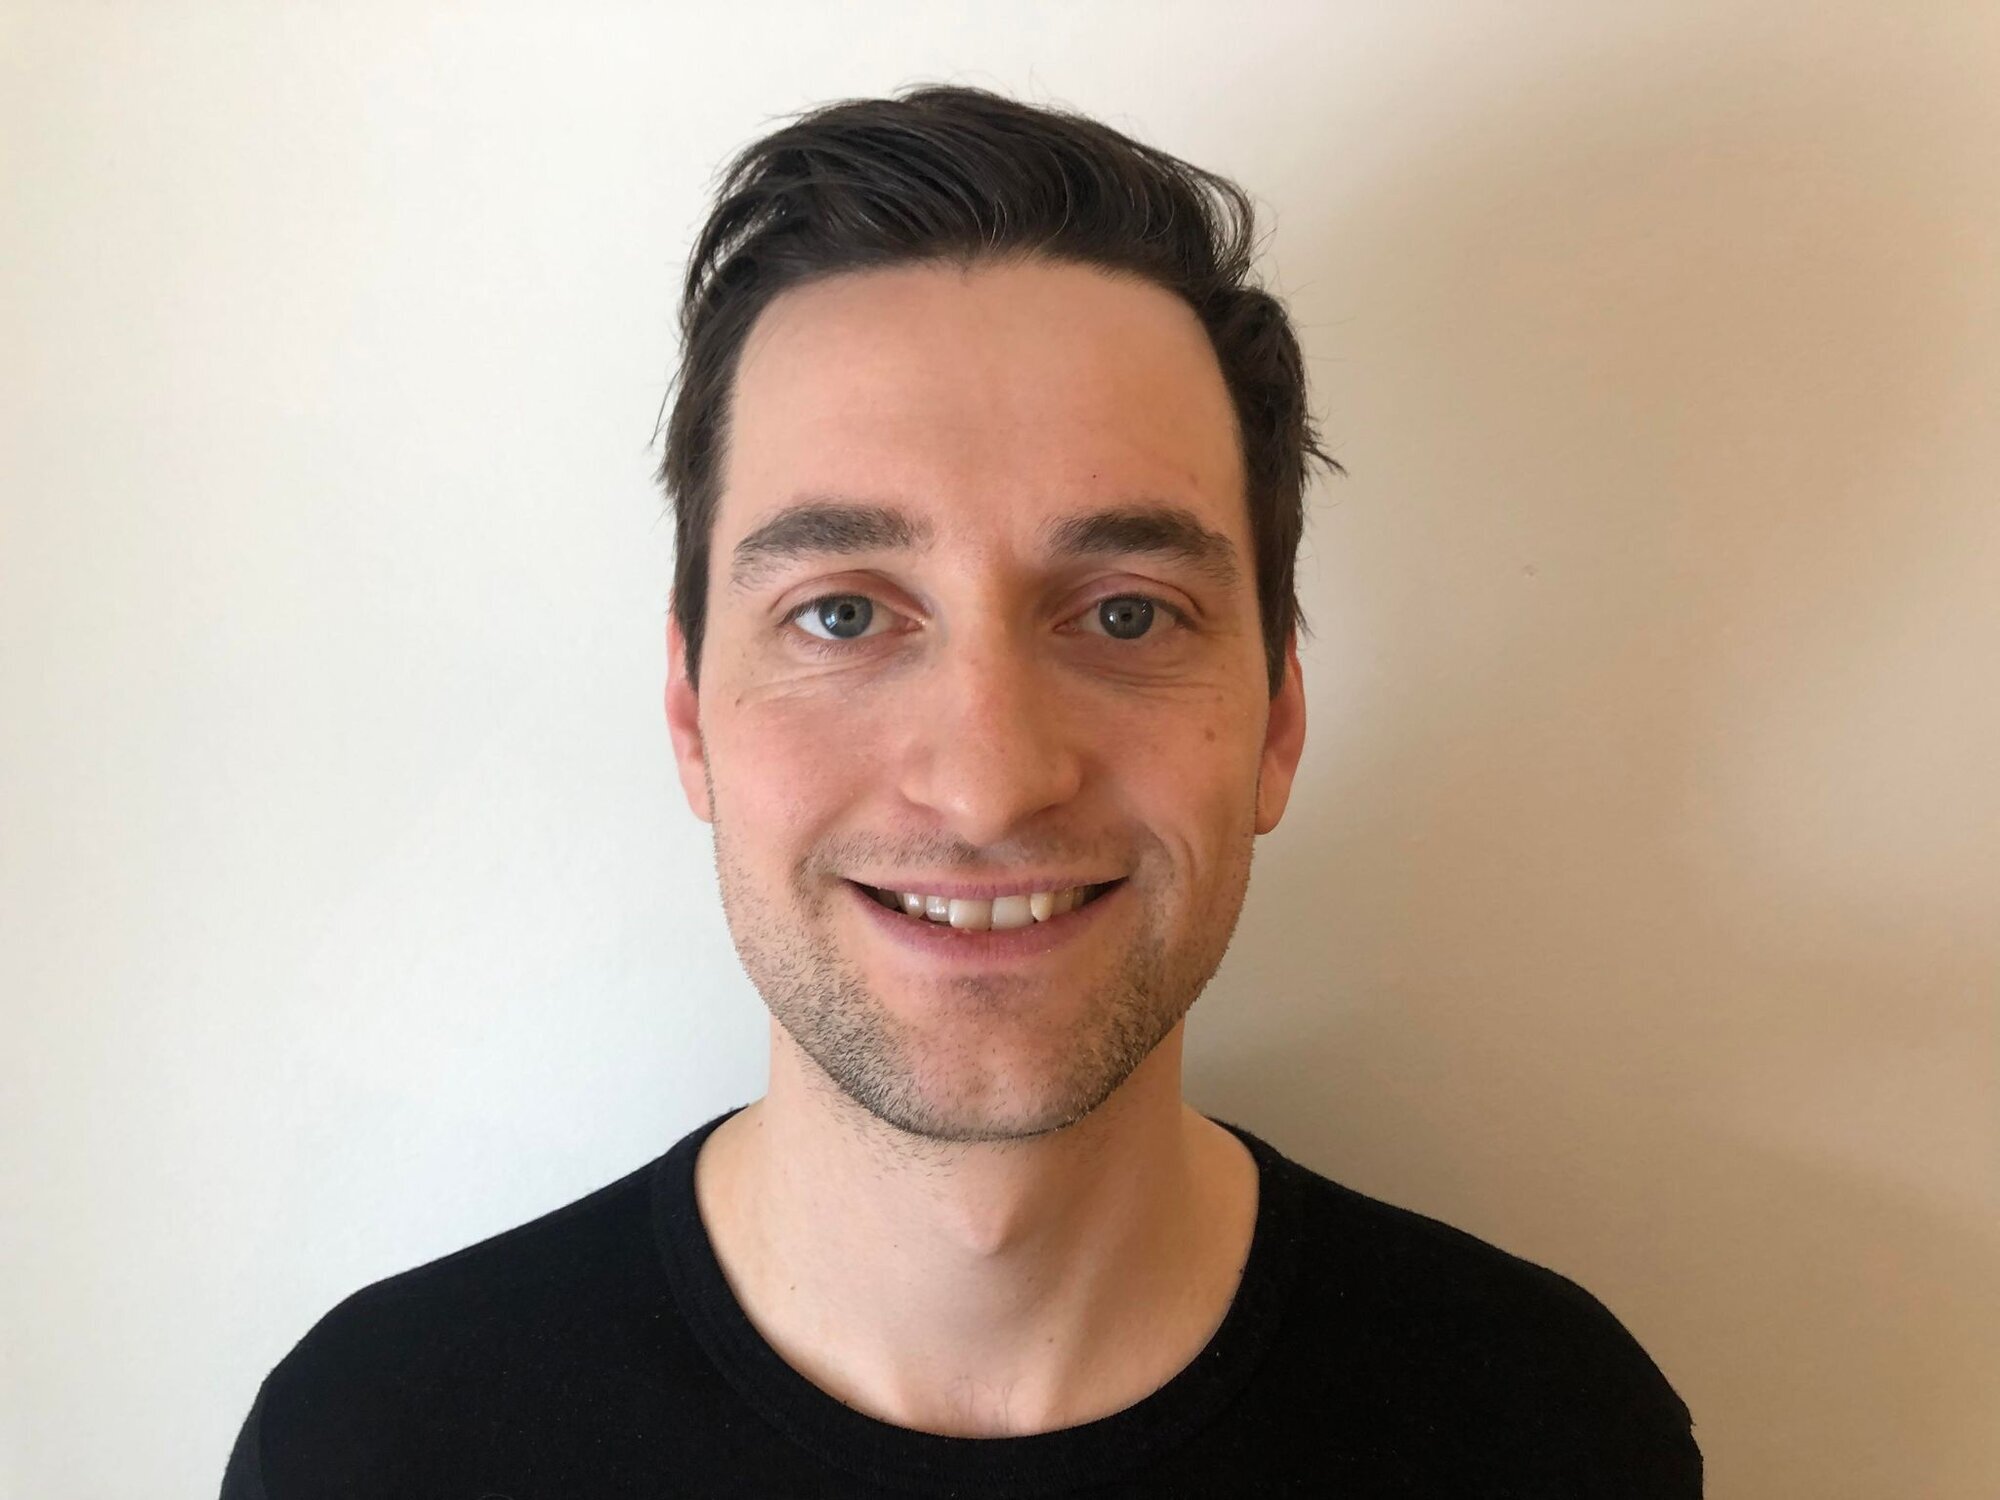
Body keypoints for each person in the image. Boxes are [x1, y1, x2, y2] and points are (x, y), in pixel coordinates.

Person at [221, 85, 1701, 1496]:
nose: (989, 785)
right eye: (843, 613)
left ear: (1276, 721)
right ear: (690, 715)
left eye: (1125, 613)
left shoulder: (1552, 1436)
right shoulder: (376, 1446)